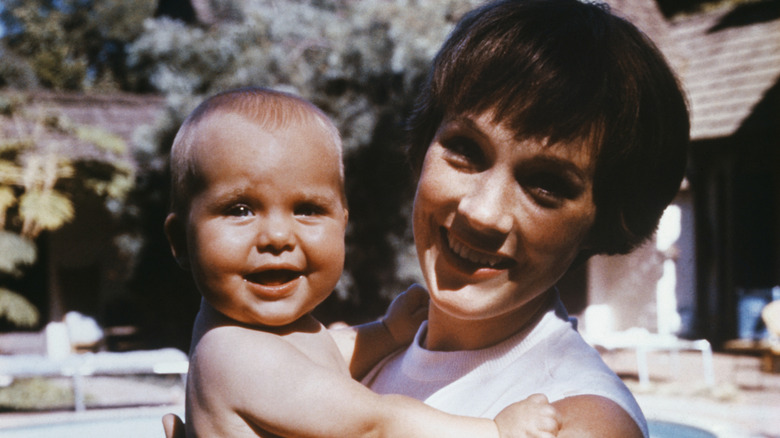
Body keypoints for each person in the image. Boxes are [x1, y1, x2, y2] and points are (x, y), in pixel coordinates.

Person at [162, 87, 562, 437]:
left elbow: (322, 353)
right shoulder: (231, 354)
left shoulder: (256, 336)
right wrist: (493, 431)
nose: (278, 237)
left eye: (307, 209)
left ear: (343, 224)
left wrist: (386, 333)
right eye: (240, 209)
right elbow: (374, 425)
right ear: (181, 241)